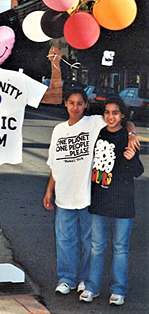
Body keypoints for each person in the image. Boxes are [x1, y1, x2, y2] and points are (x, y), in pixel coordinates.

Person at [43, 88, 139, 295]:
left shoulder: (94, 123)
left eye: (79, 103)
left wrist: (132, 135)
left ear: (86, 105)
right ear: (65, 104)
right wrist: (49, 191)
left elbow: (123, 119)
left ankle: (85, 280)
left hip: (87, 196)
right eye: (71, 103)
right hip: (64, 194)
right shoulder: (58, 130)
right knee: (65, 240)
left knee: (89, 242)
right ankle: (66, 278)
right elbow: (54, 164)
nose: (75, 107)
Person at [79, 96, 144, 306]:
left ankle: (118, 290)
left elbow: (138, 171)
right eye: (107, 112)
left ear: (122, 115)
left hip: (123, 201)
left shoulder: (128, 137)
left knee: (120, 247)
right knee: (96, 246)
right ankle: (92, 287)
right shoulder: (98, 132)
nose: (110, 116)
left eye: (115, 113)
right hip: (100, 200)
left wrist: (130, 158)